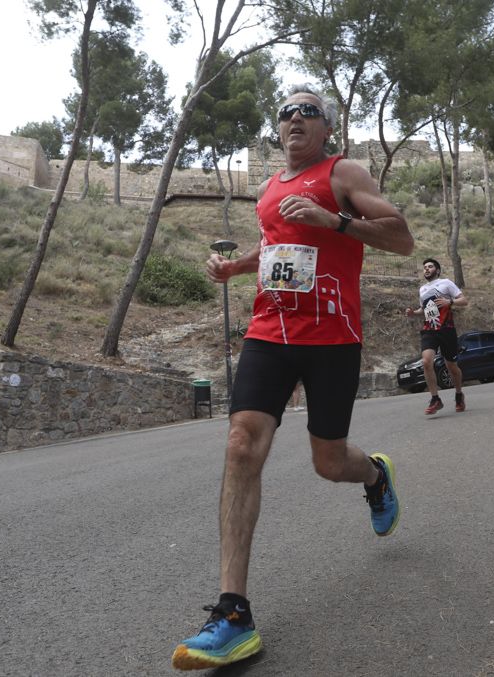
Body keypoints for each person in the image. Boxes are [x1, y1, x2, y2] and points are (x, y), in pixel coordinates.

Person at [170, 85, 414, 671]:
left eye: (308, 111)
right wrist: (236, 266)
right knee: (240, 445)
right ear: (277, 129)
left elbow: (402, 239)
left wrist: (336, 220)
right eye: (286, 112)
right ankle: (232, 614)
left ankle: (375, 475)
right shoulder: (268, 190)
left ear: (326, 128)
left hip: (332, 338)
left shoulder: (343, 171)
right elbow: (277, 244)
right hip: (269, 331)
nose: (294, 119)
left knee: (329, 462)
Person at [403, 258, 467, 415]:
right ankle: (435, 399)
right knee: (426, 361)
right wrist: (414, 313)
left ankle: (459, 394)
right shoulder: (422, 289)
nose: (426, 269)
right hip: (429, 329)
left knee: (451, 366)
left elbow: (464, 300)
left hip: (446, 329)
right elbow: (424, 309)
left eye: (430, 266)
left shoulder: (446, 283)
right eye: (424, 267)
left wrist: (450, 301)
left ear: (437, 270)